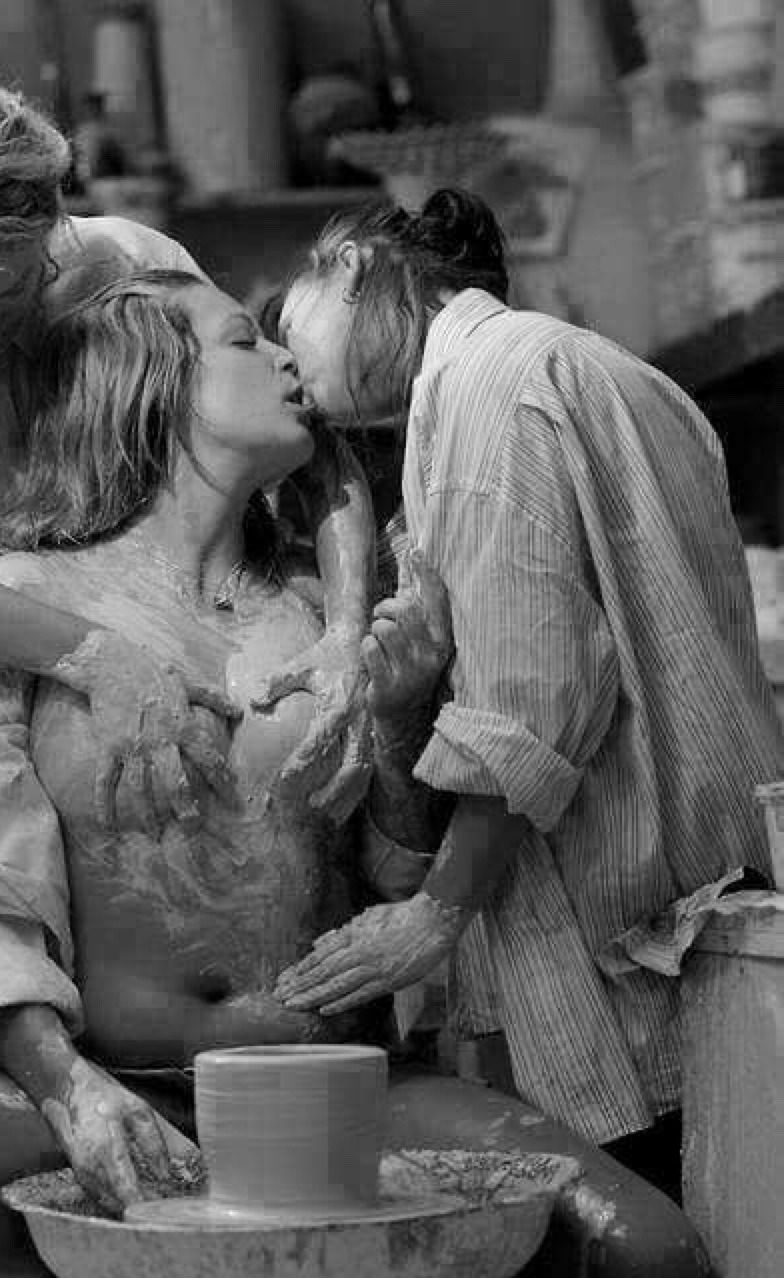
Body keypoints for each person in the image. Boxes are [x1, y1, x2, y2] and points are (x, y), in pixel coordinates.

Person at [0, 268, 709, 1278]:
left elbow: (392, 875)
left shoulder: (320, 615)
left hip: (333, 1088)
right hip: (117, 1082)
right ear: (153, 381)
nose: (288, 360)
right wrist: (66, 1086)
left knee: (652, 1260)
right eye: (246, 339)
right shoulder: (29, 601)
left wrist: (398, 720)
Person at [0, 29, 373, 1084]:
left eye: (17, 290)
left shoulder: (128, 262)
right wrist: (101, 653)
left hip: (206, 826)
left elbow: (301, 432)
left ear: (53, 218)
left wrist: (346, 636)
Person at [272, 189, 784, 1192]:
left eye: (290, 331)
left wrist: (436, 912)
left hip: (636, 916)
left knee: (674, 1239)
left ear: (355, 268)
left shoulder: (489, 388)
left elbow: (530, 698)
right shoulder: (568, 367)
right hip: (698, 900)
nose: (291, 370)